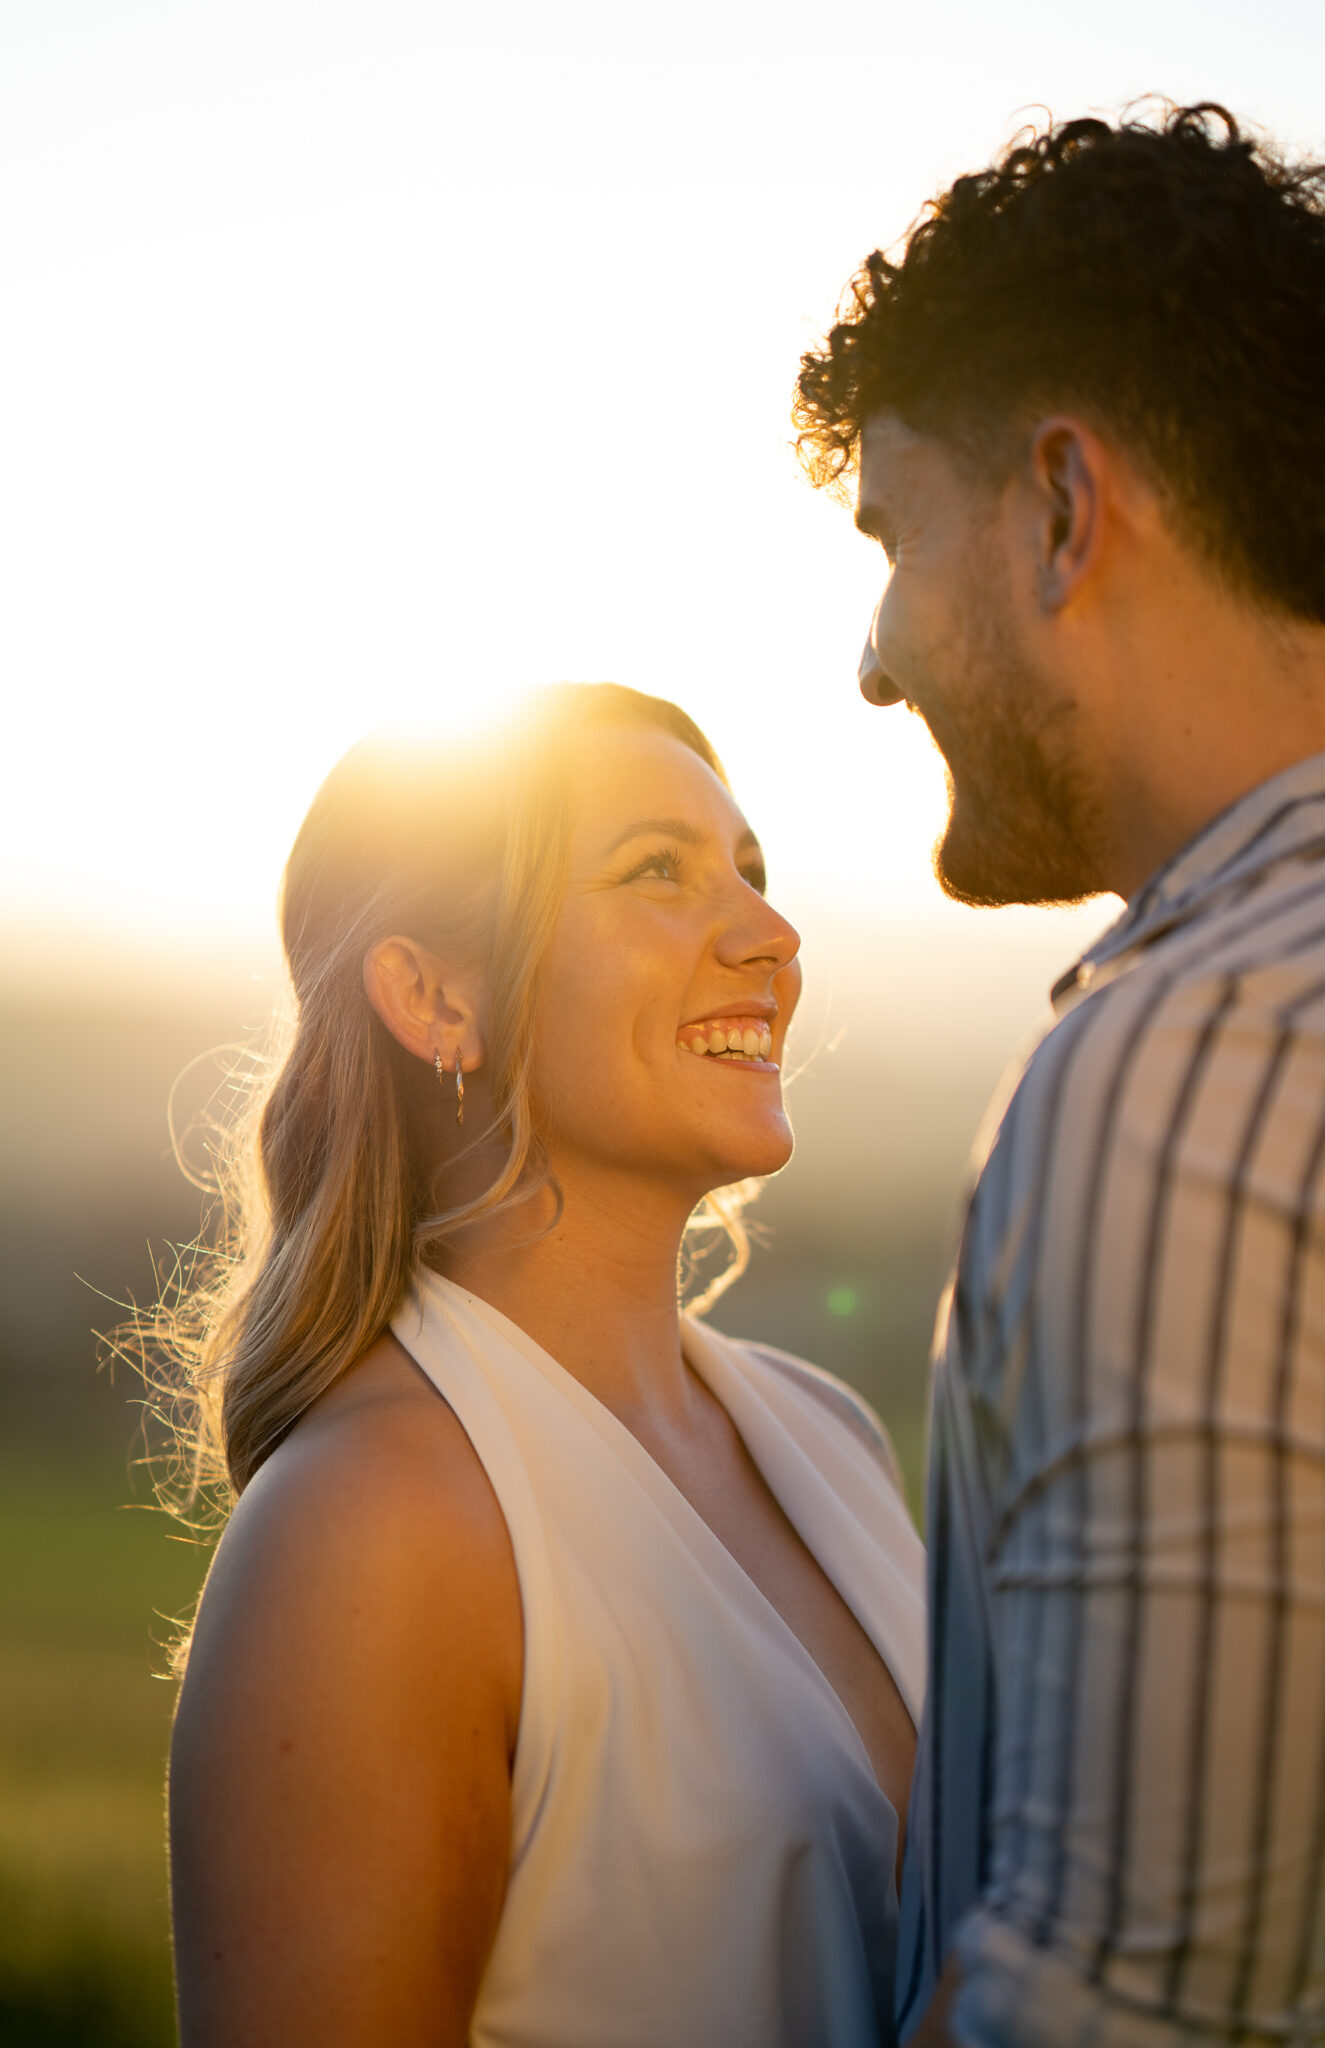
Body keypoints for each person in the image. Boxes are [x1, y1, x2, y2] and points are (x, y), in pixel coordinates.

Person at [794, 103, 1325, 2048]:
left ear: (1058, 508)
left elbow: (1136, 2010)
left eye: (890, 536)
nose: (873, 663)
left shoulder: (1194, 1062)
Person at [164, 681, 926, 2048]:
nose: (770, 933)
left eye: (751, 872)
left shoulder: (831, 1436)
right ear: (432, 994)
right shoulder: (374, 1532)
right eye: (658, 873)